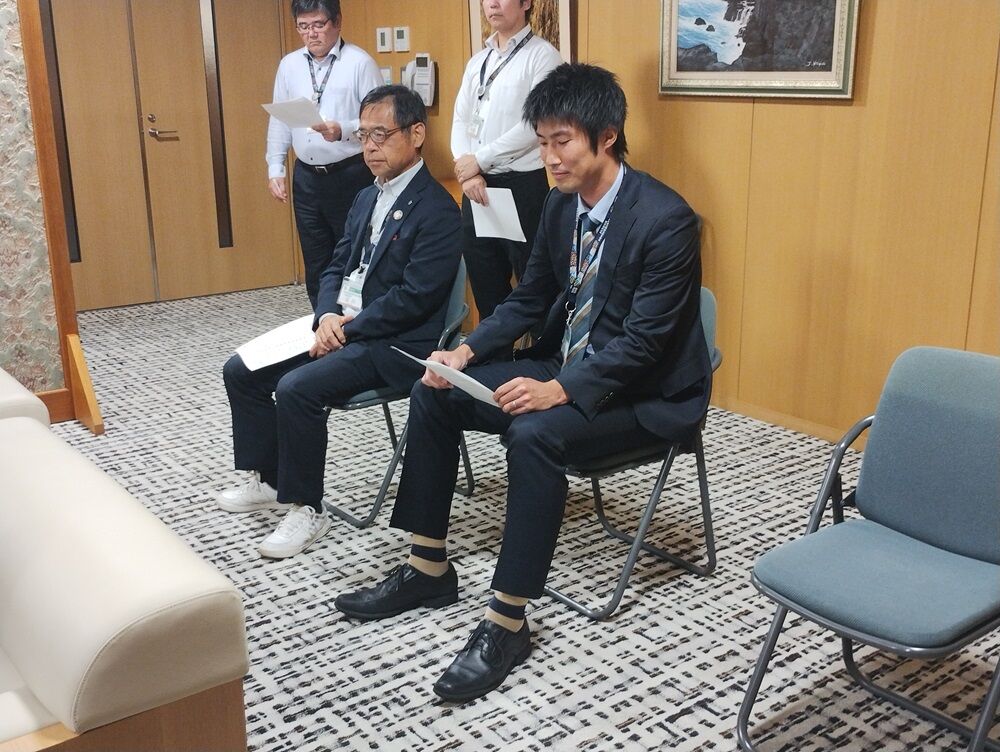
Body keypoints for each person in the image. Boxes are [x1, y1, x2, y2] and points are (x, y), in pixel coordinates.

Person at [335, 63, 712, 702]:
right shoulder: (562, 205)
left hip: (645, 394)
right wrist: (466, 350)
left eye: (562, 141)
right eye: (541, 142)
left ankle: (507, 622)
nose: (549, 158)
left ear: (607, 137)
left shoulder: (666, 219)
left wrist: (559, 391)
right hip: (568, 363)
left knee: (533, 433)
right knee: (435, 389)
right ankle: (428, 567)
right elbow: (531, 297)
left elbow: (644, 344)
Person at [220, 86, 462, 559]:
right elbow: (335, 266)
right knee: (241, 370)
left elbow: (414, 299)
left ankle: (307, 508)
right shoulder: (366, 197)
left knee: (297, 388)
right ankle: (269, 480)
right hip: (343, 324)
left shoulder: (438, 210)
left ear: (416, 134)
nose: (369, 147)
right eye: (363, 135)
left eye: (380, 135)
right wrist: (327, 314)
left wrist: (347, 329)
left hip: (396, 343)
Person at [451, 0, 561, 351]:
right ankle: (492, 364)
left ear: (527, 3)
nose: (492, 4)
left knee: (534, 282)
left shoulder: (542, 56)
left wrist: (479, 159)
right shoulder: (478, 61)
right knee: (486, 281)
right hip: (476, 185)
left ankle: (540, 361)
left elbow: (535, 124)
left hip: (521, 185)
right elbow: (460, 119)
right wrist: (467, 171)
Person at [266, 0, 383, 310]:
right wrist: (275, 167)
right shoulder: (289, 65)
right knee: (315, 257)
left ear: (337, 22)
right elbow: (279, 119)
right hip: (306, 176)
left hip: (350, 174)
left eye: (318, 25)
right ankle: (322, 319)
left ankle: (353, 321)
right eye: (303, 27)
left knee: (352, 253)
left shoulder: (359, 63)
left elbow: (378, 121)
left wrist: (343, 129)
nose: (311, 34)